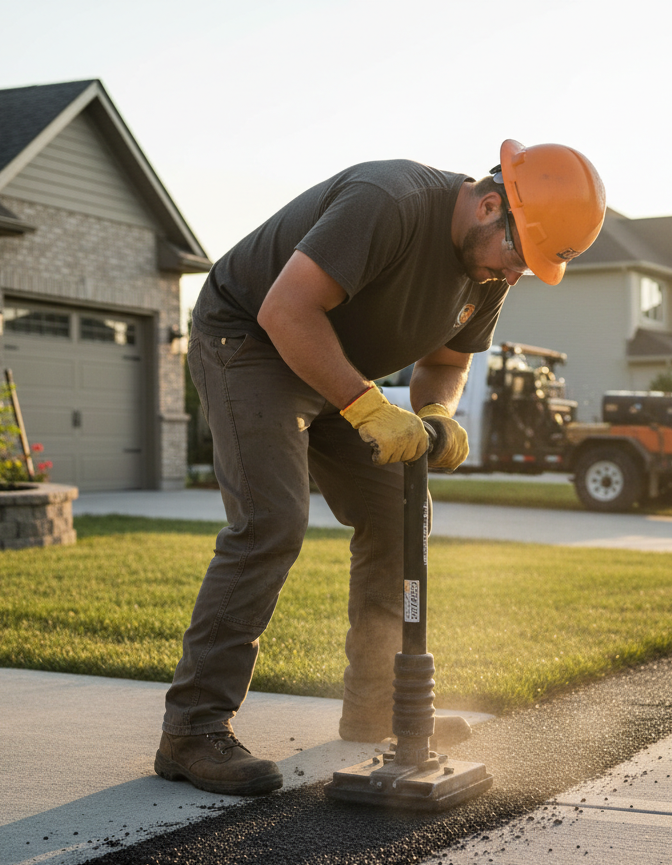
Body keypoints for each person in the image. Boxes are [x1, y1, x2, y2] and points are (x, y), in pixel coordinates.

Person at [155, 140, 606, 796]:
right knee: (272, 519)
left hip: (332, 359)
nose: (515, 275)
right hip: (249, 339)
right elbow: (287, 311)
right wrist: (366, 406)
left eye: (530, 268)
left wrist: (436, 415)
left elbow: (447, 366)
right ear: (488, 206)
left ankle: (374, 710)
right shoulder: (387, 202)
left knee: (400, 511)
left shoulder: (486, 273)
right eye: (518, 255)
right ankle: (192, 731)